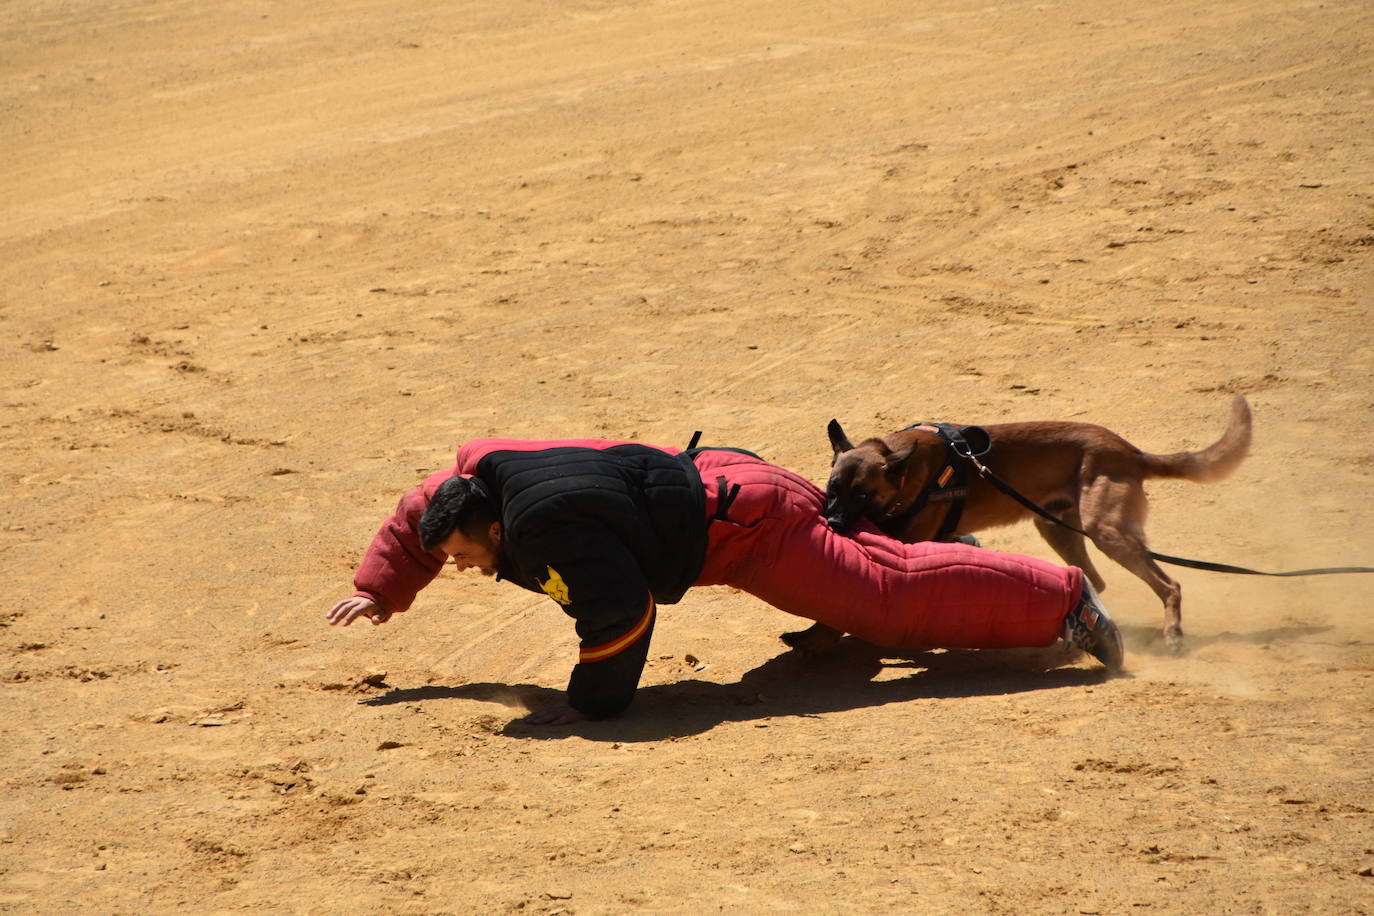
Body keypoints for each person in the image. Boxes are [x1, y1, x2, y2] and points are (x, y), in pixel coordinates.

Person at [327, 436, 1124, 725]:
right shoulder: (480, 475)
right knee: (880, 576)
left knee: (890, 605)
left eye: (463, 556)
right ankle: (959, 559)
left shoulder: (543, 528)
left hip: (751, 534)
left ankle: (1066, 605)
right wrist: (382, 585)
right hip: (721, 475)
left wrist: (589, 704)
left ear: (497, 529)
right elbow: (421, 511)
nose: (461, 567)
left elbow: (621, 613)